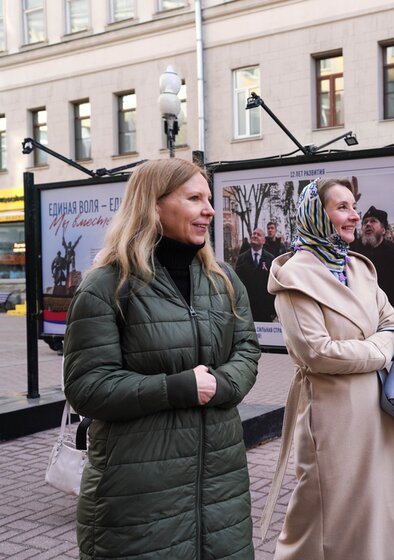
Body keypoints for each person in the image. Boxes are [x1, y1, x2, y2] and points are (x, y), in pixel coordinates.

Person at [62, 158, 261, 560]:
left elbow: (247, 350)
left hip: (220, 497)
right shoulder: (106, 286)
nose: (209, 209)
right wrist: (176, 388)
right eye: (194, 198)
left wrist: (222, 384)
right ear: (153, 205)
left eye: (208, 198)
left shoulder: (222, 279)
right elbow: (87, 387)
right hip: (138, 499)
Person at [262, 177, 394, 560]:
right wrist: (380, 351)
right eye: (341, 207)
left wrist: (379, 344)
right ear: (316, 214)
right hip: (333, 415)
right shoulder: (294, 277)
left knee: (383, 510)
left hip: (379, 408)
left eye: (352, 206)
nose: (354, 215)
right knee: (326, 517)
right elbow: (316, 352)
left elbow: (392, 321)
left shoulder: (359, 268)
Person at [349, 205, 394, 324]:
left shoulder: (393, 256)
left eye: (373, 221)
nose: (368, 224)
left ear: (383, 229)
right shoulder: (354, 252)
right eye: (365, 222)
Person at [235, 227, 277, 322]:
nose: (255, 236)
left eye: (258, 234)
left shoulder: (270, 259)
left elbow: (273, 285)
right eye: (254, 234)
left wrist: (273, 310)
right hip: (247, 309)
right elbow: (237, 284)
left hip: (265, 311)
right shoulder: (242, 259)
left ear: (264, 240)